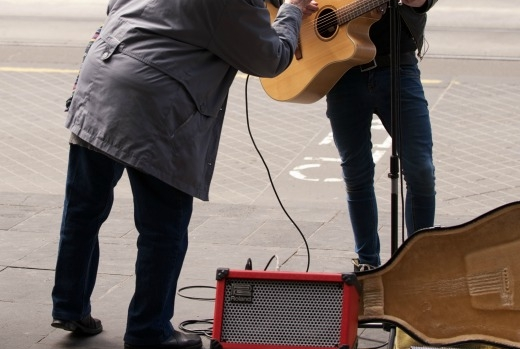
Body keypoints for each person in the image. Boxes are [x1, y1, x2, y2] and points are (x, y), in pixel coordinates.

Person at [50, 1, 317, 349]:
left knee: (83, 210)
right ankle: (149, 330)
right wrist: (292, 12)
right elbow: (268, 58)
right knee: (164, 229)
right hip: (158, 105)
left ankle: (69, 307)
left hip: (101, 78)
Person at [325, 0, 438, 272]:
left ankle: (418, 266)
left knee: (421, 170)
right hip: (341, 72)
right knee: (356, 172)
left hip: (397, 66)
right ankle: (367, 265)